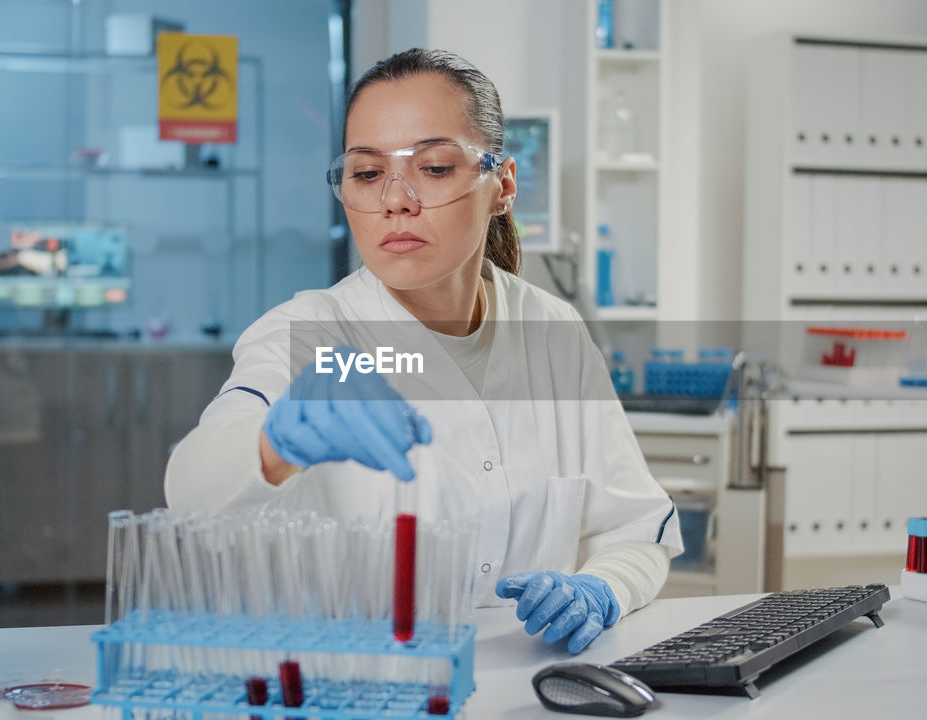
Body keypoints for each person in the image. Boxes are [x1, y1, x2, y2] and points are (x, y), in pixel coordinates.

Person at [165, 48, 681, 654]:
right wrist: (271, 443)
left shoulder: (552, 330)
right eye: (367, 173)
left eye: (435, 167)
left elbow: (635, 528)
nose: (396, 199)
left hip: (525, 691)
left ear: (502, 186)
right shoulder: (311, 334)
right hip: (354, 692)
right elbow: (189, 492)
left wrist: (602, 588)